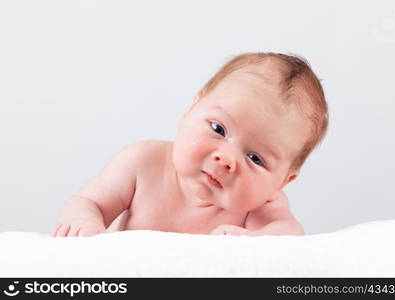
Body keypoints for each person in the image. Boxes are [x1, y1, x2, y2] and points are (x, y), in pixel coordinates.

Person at [52, 52, 328, 237]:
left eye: (255, 158)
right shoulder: (142, 163)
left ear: (282, 182)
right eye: (219, 129)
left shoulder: (261, 204)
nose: (227, 158)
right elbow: (88, 202)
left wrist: (254, 240)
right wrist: (84, 222)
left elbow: (289, 232)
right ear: (191, 109)